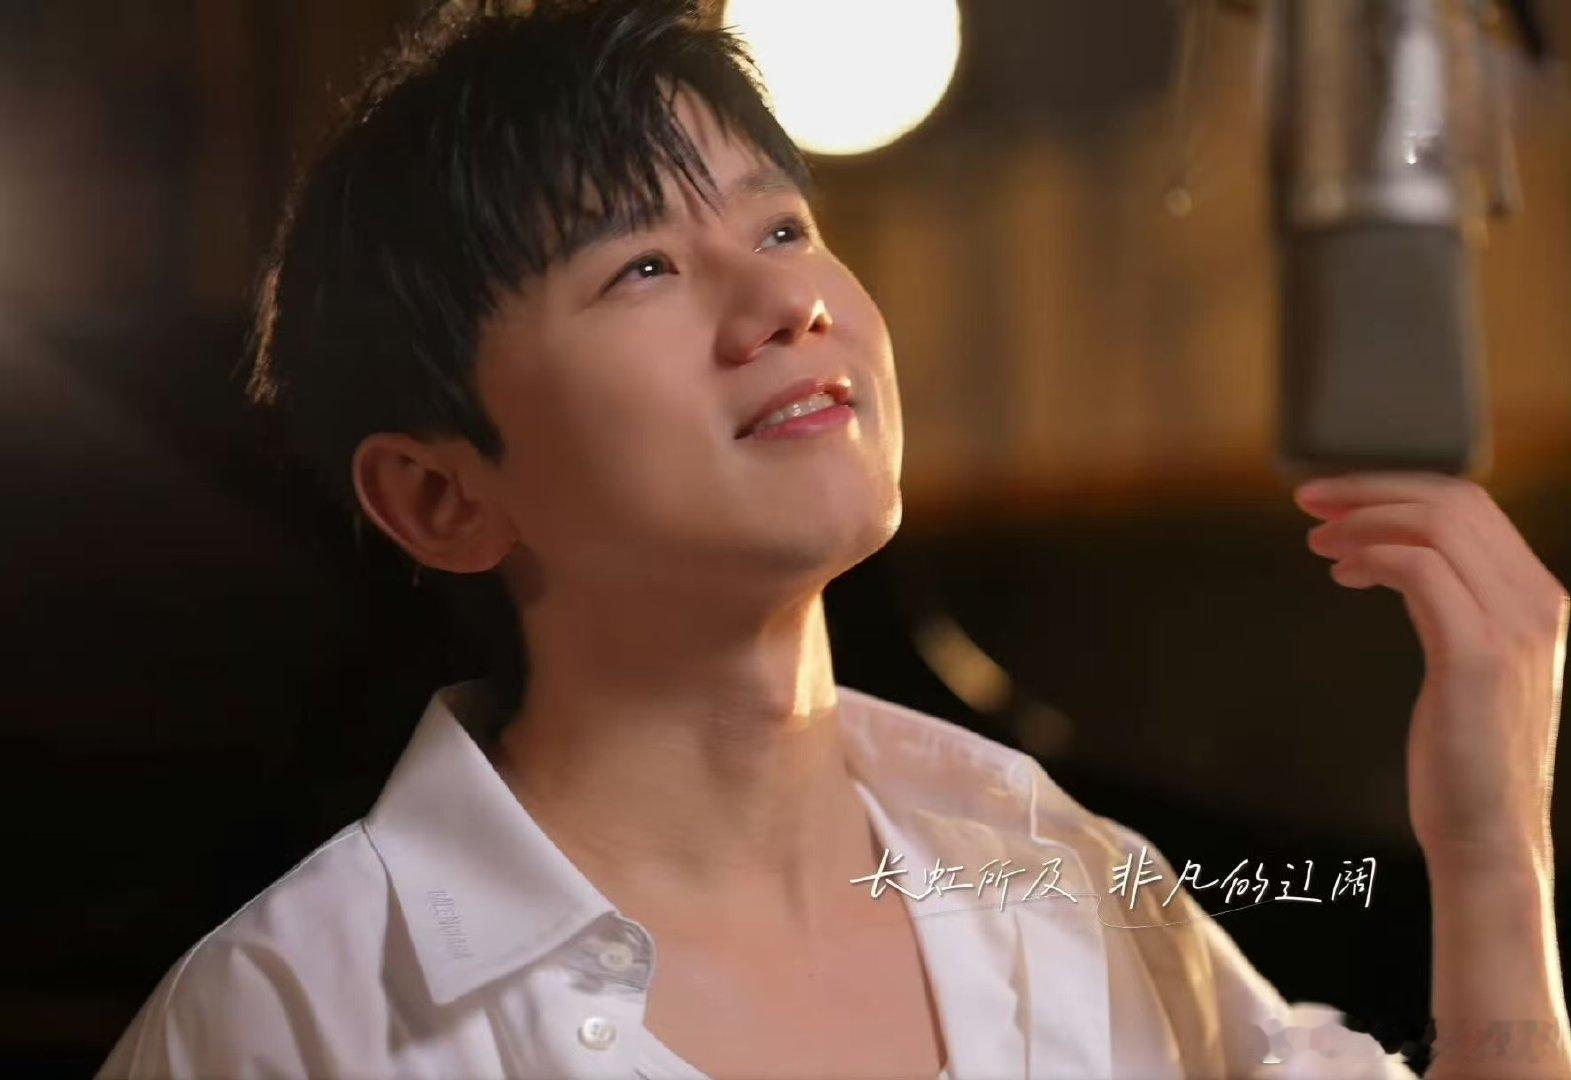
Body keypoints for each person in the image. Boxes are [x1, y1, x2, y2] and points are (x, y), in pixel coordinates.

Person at [99, 1, 1571, 1077]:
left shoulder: (1058, 885)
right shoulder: (292, 1019)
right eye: (643, 266)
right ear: (441, 497)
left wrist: (1493, 851)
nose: (784, 302)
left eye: (785, 228)